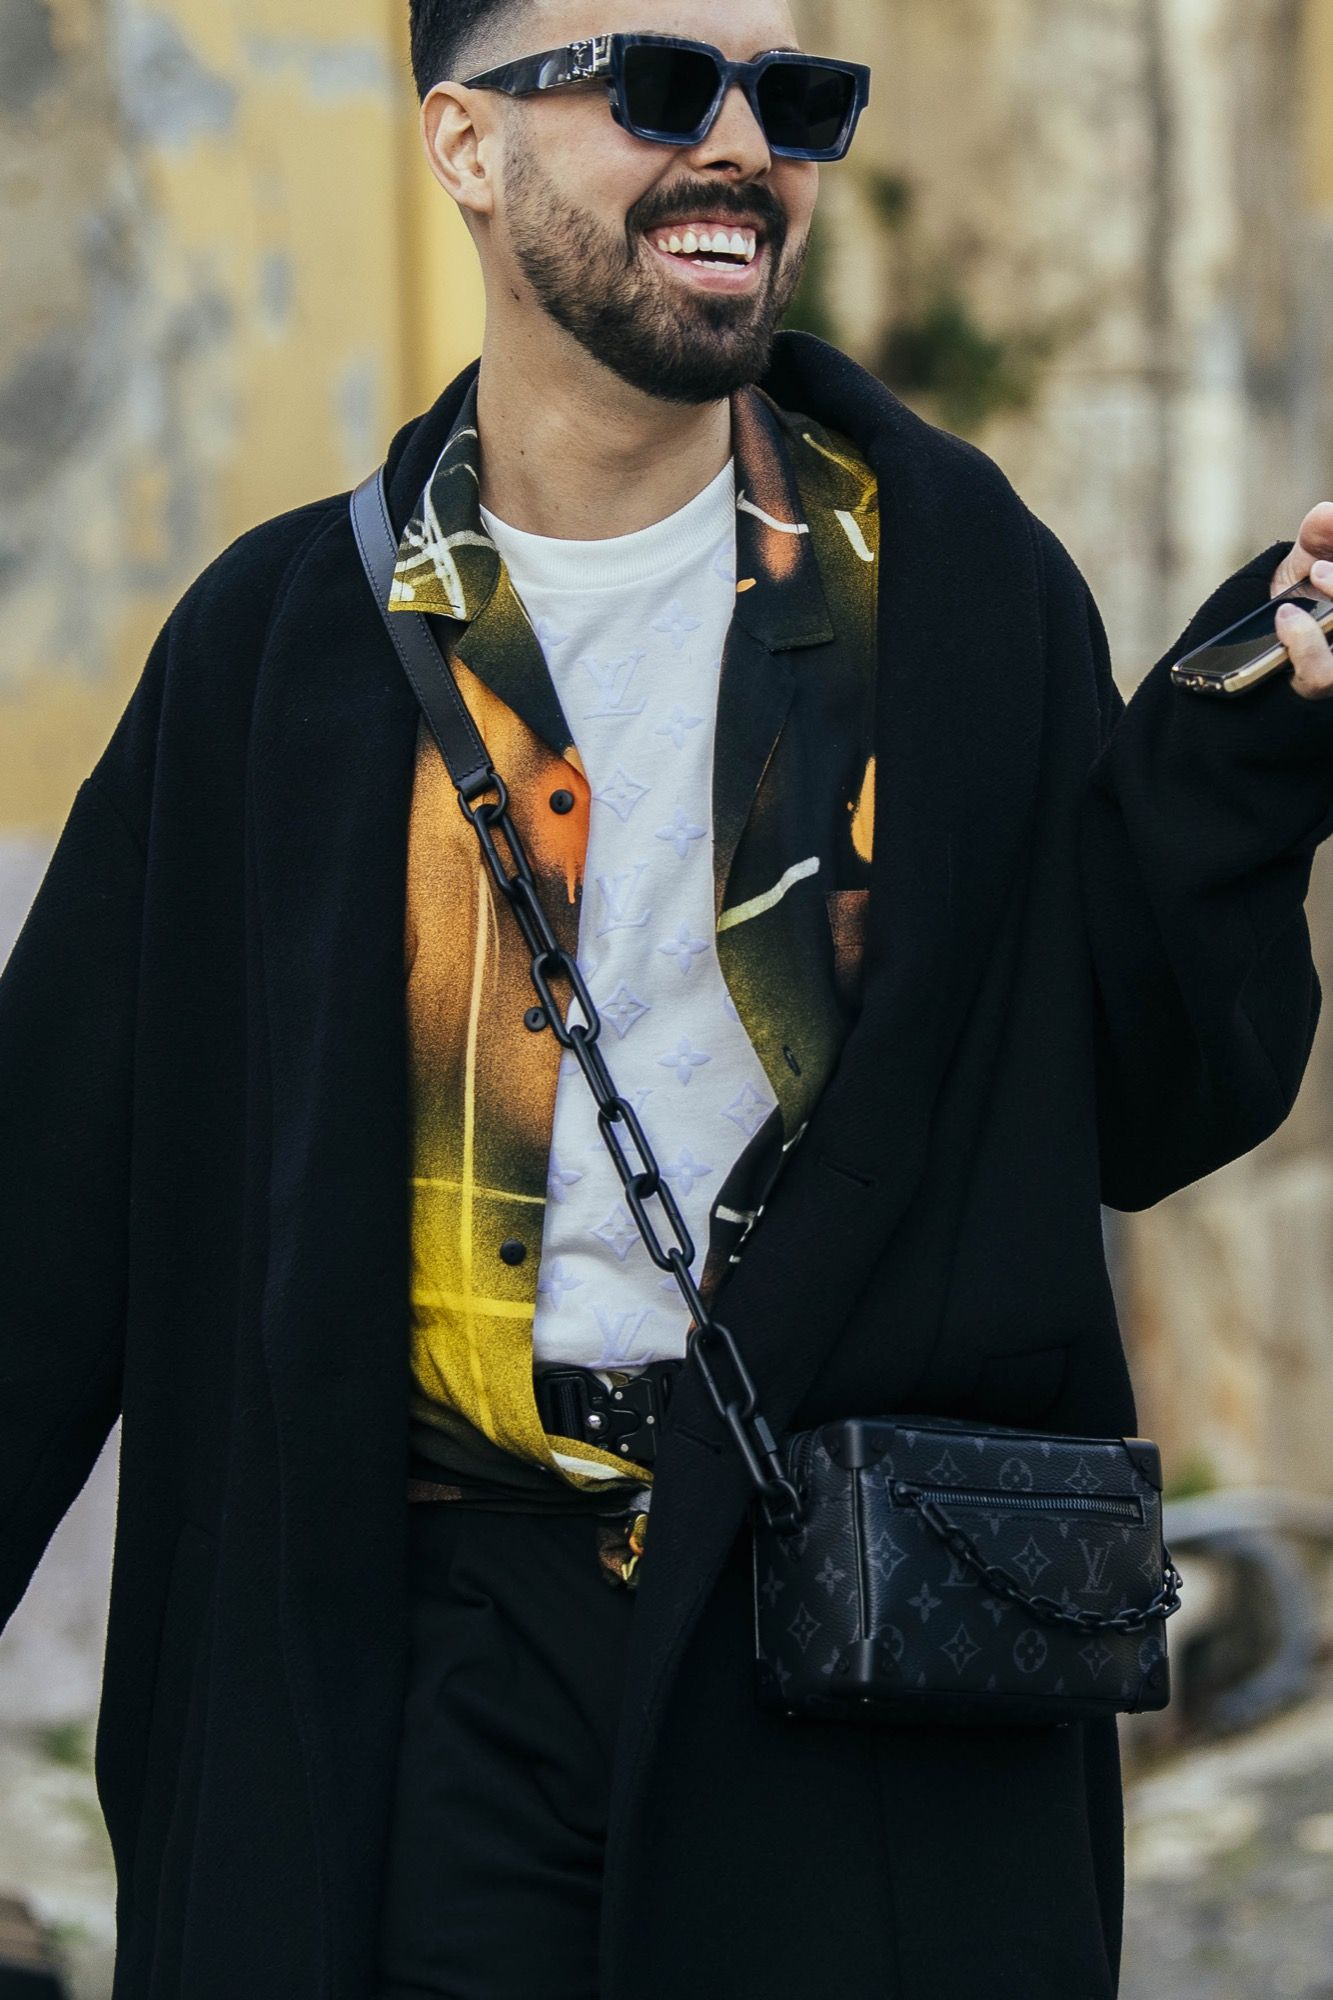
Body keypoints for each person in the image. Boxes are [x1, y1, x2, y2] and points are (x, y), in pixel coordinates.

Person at [5, 0, 1333, 1994]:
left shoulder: (961, 591)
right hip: (420, 1669)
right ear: (464, 146)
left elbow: (1139, 1100)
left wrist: (1240, 760)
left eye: (789, 98)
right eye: (652, 85)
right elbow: (44, 1211)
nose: (737, 145)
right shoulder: (274, 649)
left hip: (849, 1654)